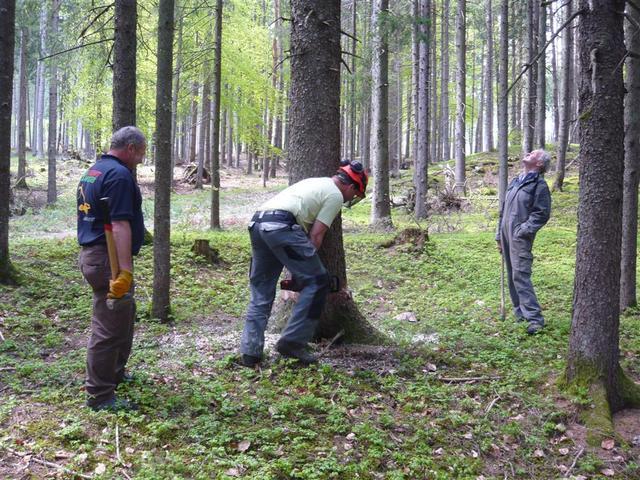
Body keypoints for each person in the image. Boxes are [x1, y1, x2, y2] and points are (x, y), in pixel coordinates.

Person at [239, 161, 368, 367]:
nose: (351, 198)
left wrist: (296, 269)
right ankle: (292, 342)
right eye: (355, 194)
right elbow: (316, 236)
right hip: (282, 226)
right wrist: (302, 270)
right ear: (351, 186)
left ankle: (250, 353)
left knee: (261, 292)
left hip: (258, 223)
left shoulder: (316, 182)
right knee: (318, 282)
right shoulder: (334, 194)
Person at [77, 126, 146, 411]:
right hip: (109, 259)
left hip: (97, 255)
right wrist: (125, 271)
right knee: (108, 326)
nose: (141, 159)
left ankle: (115, 373)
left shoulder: (94, 171)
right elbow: (119, 224)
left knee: (122, 316)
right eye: (141, 153)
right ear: (130, 148)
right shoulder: (118, 175)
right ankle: (100, 394)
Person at [496, 149, 552, 335]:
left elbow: (541, 213)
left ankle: (535, 319)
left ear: (539, 164)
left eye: (533, 153)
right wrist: (499, 235)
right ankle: (520, 313)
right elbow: (503, 211)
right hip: (506, 235)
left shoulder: (539, 186)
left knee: (520, 275)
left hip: (520, 236)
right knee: (512, 275)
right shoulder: (516, 181)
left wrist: (523, 231)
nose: (528, 153)